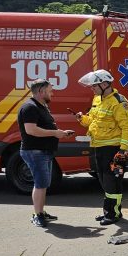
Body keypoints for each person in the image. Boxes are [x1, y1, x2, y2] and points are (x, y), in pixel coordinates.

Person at [76, 69, 128, 226]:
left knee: (111, 182)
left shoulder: (119, 101)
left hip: (112, 149)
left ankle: (113, 214)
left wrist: (122, 150)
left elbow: (126, 127)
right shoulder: (97, 99)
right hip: (98, 147)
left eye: (94, 85)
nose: (91, 88)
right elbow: (93, 121)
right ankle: (110, 211)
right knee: (104, 182)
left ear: (105, 84)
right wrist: (82, 119)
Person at [17, 79, 74, 228]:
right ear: (41, 91)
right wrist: (56, 133)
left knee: (43, 184)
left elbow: (43, 127)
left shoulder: (42, 106)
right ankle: (37, 215)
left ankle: (41, 212)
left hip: (43, 151)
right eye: (50, 90)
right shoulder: (30, 107)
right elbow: (31, 130)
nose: (52, 93)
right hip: (35, 151)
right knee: (40, 184)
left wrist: (60, 133)